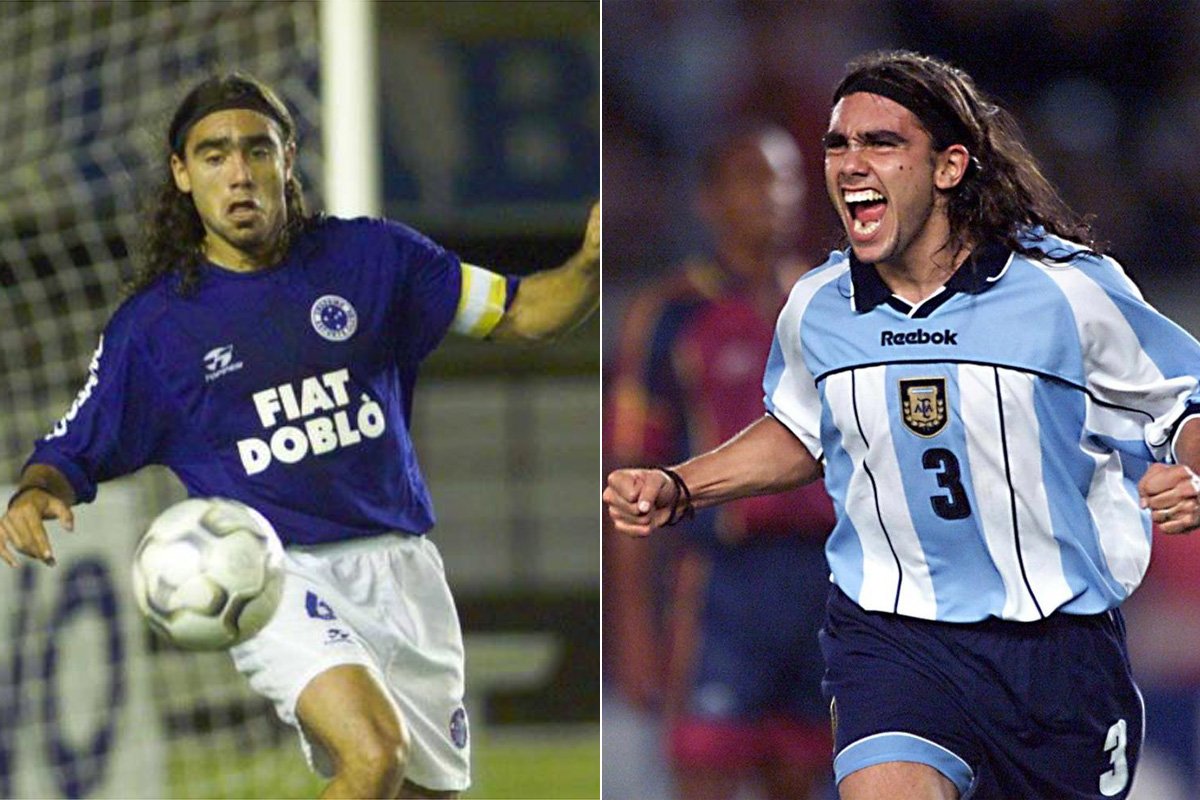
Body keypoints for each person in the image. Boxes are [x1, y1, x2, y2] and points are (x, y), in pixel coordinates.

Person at [605, 49, 1200, 800]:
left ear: (950, 167)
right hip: (892, 637)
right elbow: (799, 429)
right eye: (838, 144)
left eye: (881, 143)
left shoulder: (1066, 289)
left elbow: (1184, 402)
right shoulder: (820, 305)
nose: (850, 164)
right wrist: (679, 486)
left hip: (1056, 653)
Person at [0, 72, 598, 800]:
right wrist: (35, 492)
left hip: (402, 572)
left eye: (256, 150)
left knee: (408, 789)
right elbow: (73, 449)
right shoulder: (157, 329)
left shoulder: (375, 258)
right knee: (374, 756)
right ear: (182, 175)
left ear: (288, 159)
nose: (239, 173)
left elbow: (522, 313)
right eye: (214, 155)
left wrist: (591, 262)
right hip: (272, 576)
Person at [606, 123, 834, 800]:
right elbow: (628, 475)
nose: (775, 195)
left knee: (803, 776)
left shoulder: (837, 306)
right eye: (752, 177)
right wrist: (634, 632)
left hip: (826, 582)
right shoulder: (670, 315)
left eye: (788, 177)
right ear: (709, 199)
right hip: (720, 587)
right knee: (705, 775)